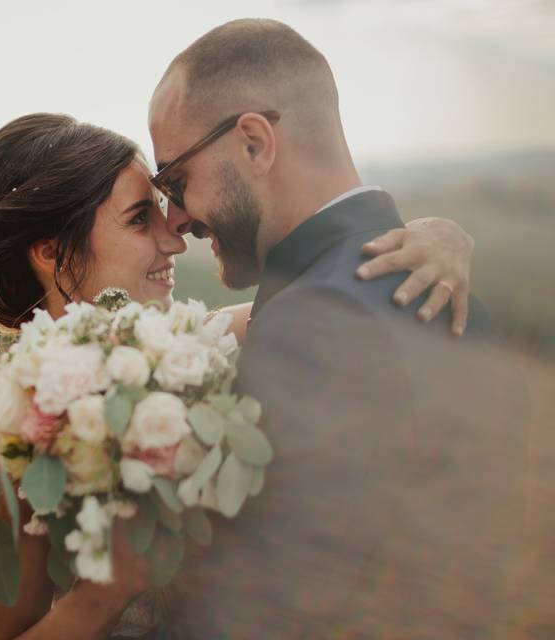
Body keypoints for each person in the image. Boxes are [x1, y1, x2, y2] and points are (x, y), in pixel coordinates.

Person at [0, 112, 477, 640]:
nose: (175, 236)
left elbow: (332, 289)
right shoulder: (14, 459)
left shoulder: (206, 348)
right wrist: (103, 597)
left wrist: (440, 235)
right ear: (54, 253)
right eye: (140, 218)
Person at [147, 19, 531, 637]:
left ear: (253, 143)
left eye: (174, 181)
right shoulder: (452, 299)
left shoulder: (316, 327)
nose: (177, 217)